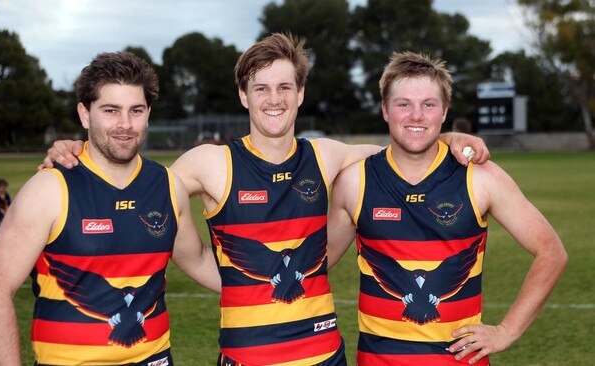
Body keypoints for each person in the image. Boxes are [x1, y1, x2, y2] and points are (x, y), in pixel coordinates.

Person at [42, 33, 490, 365]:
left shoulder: (329, 156)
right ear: (243, 96)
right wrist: (73, 151)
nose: (273, 99)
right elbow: (138, 195)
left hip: (324, 355)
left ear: (300, 94)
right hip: (246, 357)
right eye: (261, 88)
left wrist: (450, 135)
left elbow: (407, 145)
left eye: (283, 88)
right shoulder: (210, 163)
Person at [0, 51, 220, 366]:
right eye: (110, 110)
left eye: (136, 110)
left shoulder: (167, 186)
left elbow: (198, 259)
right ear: (84, 114)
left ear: (148, 113)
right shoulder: (49, 189)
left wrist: (275, 279)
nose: (125, 124)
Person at [327, 51, 567, 365]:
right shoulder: (355, 182)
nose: (416, 116)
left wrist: (507, 331)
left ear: (444, 112)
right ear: (385, 110)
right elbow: (315, 264)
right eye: (404, 104)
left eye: (428, 104)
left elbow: (551, 251)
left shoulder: (480, 177)